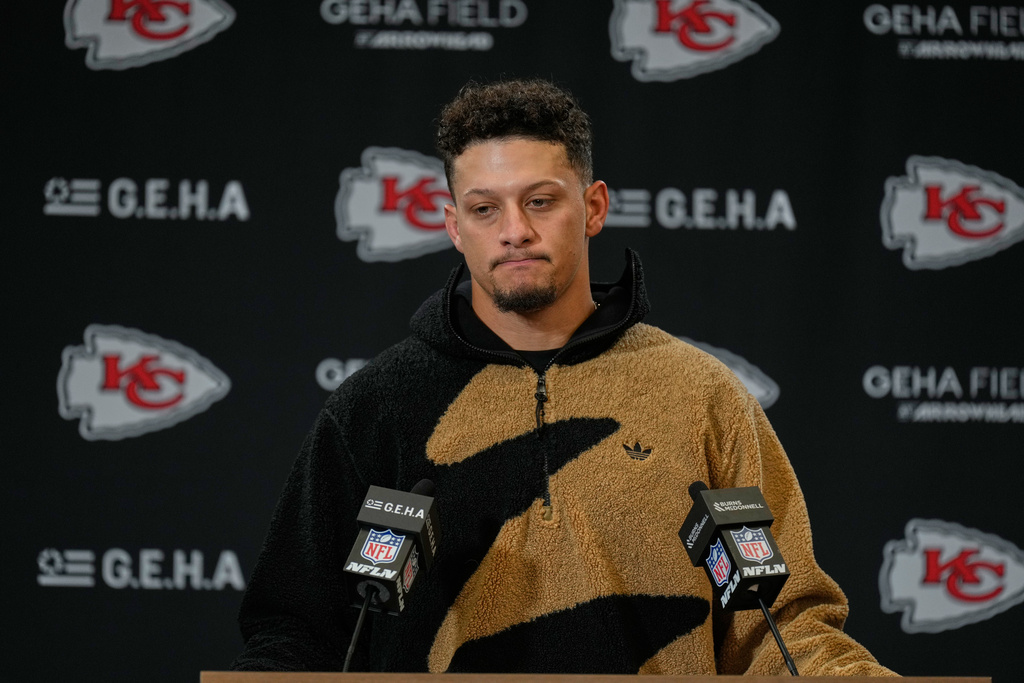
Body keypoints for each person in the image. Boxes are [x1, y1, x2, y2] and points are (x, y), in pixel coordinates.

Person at [232, 78, 895, 676]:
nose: (514, 231)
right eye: (485, 209)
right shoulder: (376, 405)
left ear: (594, 207)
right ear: (454, 226)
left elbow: (785, 624)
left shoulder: (702, 396)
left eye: (541, 201)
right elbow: (296, 633)